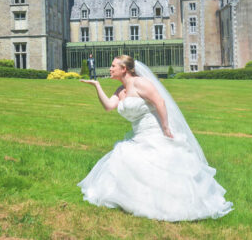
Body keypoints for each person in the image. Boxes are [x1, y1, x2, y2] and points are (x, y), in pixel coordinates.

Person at [78, 55, 233, 222]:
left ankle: (170, 205)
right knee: (123, 156)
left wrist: (166, 127)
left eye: (113, 66)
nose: (110, 68)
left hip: (155, 131)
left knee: (158, 166)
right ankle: (134, 200)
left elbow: (160, 102)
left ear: (124, 69)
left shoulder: (141, 83)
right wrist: (97, 86)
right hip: (138, 134)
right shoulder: (120, 91)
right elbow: (109, 106)